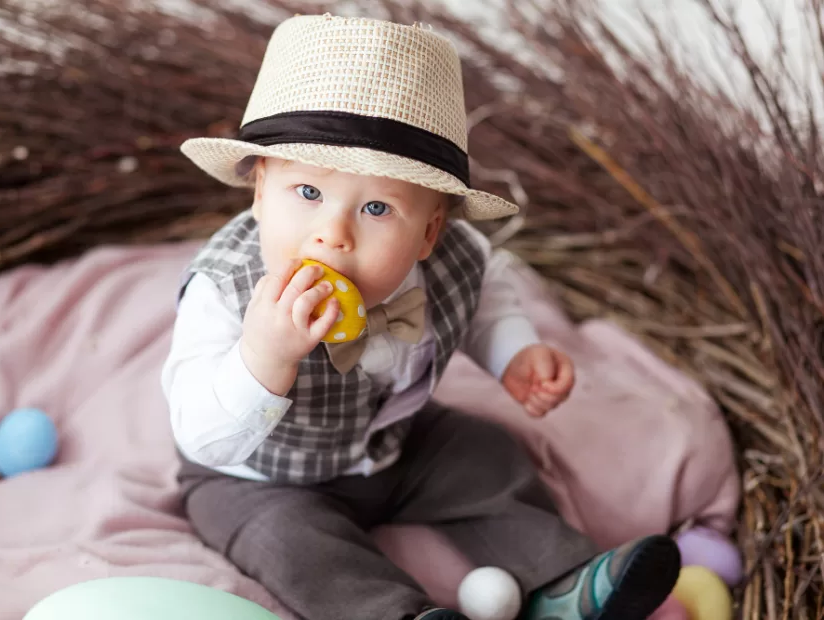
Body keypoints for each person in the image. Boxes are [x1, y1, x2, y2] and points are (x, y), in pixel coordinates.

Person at [161, 14, 680, 620]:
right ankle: (397, 613)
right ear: (258, 192)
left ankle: (564, 583)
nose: (333, 235)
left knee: (488, 453)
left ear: (431, 230)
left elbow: (488, 298)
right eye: (307, 194)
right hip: (256, 476)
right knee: (289, 543)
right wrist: (265, 356)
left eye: (377, 207)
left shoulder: (455, 259)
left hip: (396, 444)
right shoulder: (222, 289)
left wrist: (512, 352)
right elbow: (200, 433)